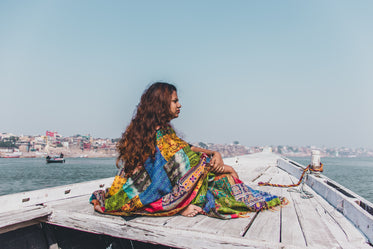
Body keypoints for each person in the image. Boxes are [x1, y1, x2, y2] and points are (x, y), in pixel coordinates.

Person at [90, 82, 285, 218]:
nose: (179, 104)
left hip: (158, 188)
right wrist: (218, 167)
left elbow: (187, 149)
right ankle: (179, 207)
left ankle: (181, 204)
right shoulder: (159, 137)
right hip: (148, 192)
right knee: (227, 177)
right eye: (175, 101)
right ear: (161, 105)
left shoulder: (160, 131)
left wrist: (214, 154)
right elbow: (166, 177)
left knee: (225, 177)